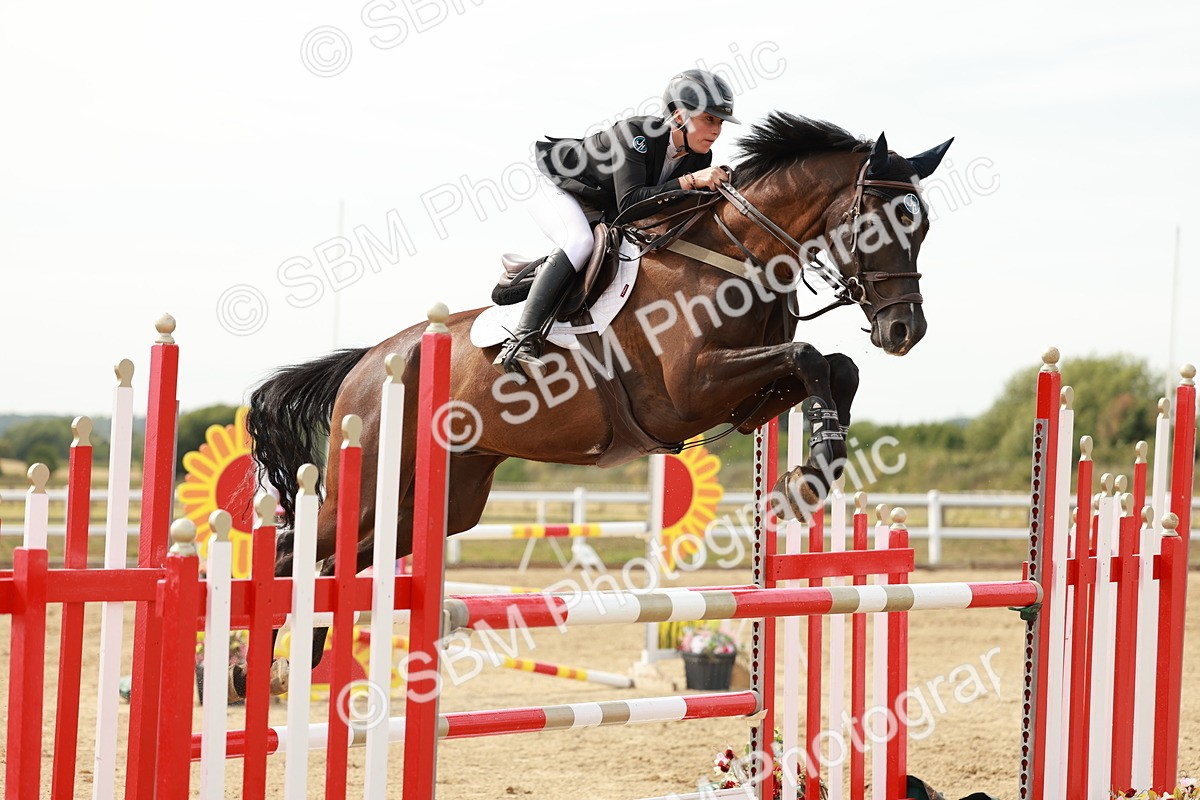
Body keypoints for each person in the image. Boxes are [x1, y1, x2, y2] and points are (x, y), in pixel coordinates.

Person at [493, 68, 740, 379]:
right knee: (579, 241)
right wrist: (691, 181)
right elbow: (632, 203)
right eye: (709, 119)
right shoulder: (637, 134)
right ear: (679, 116)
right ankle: (521, 339)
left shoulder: (699, 157)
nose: (716, 130)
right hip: (554, 183)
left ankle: (539, 275)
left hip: (602, 201)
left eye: (720, 122)